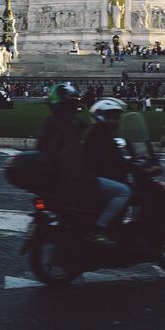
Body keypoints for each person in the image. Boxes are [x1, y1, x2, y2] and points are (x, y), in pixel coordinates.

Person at [37, 84, 128, 246]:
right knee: (123, 191)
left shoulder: (49, 124)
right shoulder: (70, 127)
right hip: (75, 182)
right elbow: (74, 160)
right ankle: (99, 229)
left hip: (54, 180)